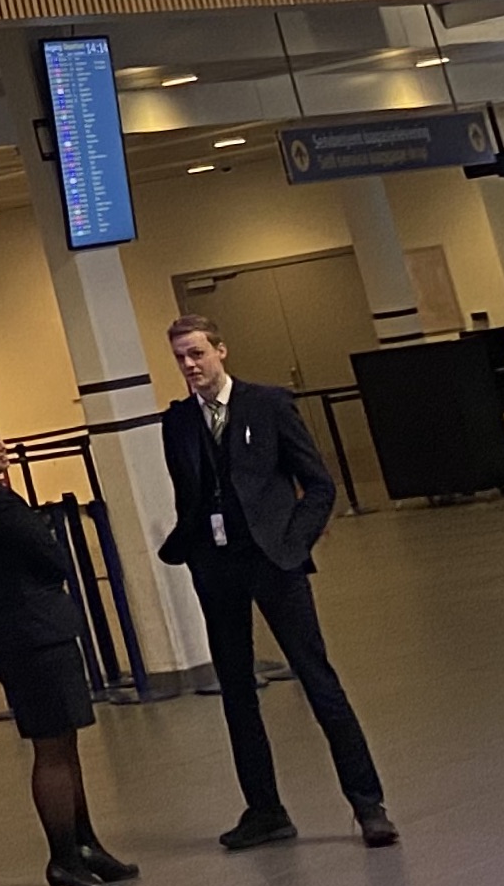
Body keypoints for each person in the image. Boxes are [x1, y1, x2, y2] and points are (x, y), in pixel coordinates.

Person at [156, 314, 397, 851]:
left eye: (197, 353)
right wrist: (193, 551)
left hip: (273, 559)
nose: (190, 365)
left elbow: (318, 484)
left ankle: (368, 804)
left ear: (221, 350)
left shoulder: (267, 405)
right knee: (236, 690)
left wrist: (293, 543)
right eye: (180, 357)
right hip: (216, 566)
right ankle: (264, 810)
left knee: (317, 677)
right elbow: (189, 495)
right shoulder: (178, 422)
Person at [0, 410, 137, 886]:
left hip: (16, 632)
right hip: (33, 634)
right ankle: (64, 857)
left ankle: (85, 845)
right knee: (52, 749)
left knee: (63, 743)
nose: (0, 447)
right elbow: (51, 557)